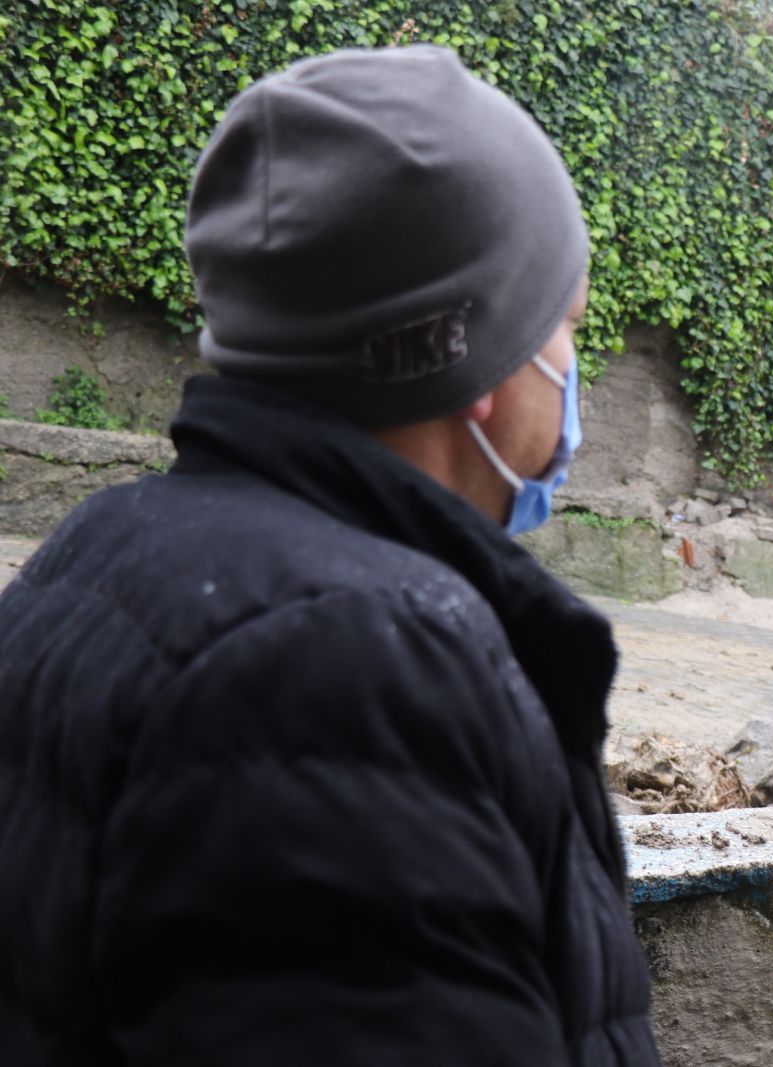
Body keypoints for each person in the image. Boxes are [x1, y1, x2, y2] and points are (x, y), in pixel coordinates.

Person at [0, 46, 660, 1065]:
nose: (572, 373)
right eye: (563, 325)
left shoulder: (102, 544)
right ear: (475, 361)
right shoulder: (353, 670)